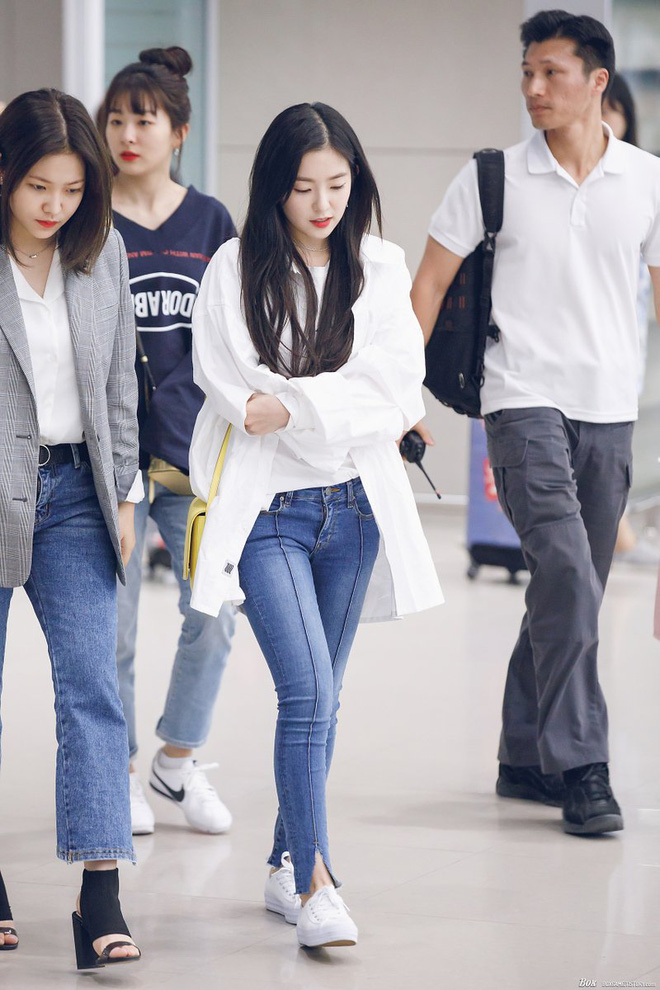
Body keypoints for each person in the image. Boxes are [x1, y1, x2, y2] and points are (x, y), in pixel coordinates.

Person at [187, 102, 442, 947]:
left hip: (356, 511)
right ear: (274, 188)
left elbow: (396, 389)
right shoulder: (234, 269)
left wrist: (296, 403)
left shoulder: (381, 265)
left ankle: (283, 863)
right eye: (304, 188)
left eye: (337, 184)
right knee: (307, 693)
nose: (323, 203)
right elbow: (235, 391)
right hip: (270, 514)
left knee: (325, 698)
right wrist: (338, 401)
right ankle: (317, 885)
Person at [412, 10, 660, 835]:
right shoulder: (493, 178)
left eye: (551, 72)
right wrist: (399, 400)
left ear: (597, 82)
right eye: (527, 71)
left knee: (568, 586)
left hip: (610, 409)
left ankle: (522, 753)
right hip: (519, 400)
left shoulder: (648, 181)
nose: (533, 87)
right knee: (567, 573)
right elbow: (428, 287)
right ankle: (582, 767)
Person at [0, 89, 141, 966]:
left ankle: (101, 892)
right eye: (38, 187)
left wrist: (123, 493)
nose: (55, 206)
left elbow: (121, 380)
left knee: (94, 688)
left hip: (79, 494)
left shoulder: (103, 252)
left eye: (73, 189)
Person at [97, 47, 237, 836]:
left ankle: (176, 761)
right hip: (108, 462)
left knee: (213, 610)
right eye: (116, 119)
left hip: (193, 459)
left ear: (178, 131)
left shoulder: (212, 223)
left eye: (143, 120)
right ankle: (117, 775)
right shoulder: (87, 216)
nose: (127, 134)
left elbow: (238, 335)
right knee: (111, 630)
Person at [602, 74, 658, 565]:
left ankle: (616, 535)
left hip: (629, 340)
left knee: (613, 441)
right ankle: (618, 537)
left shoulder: (643, 180)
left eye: (611, 108)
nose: (603, 119)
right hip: (589, 341)